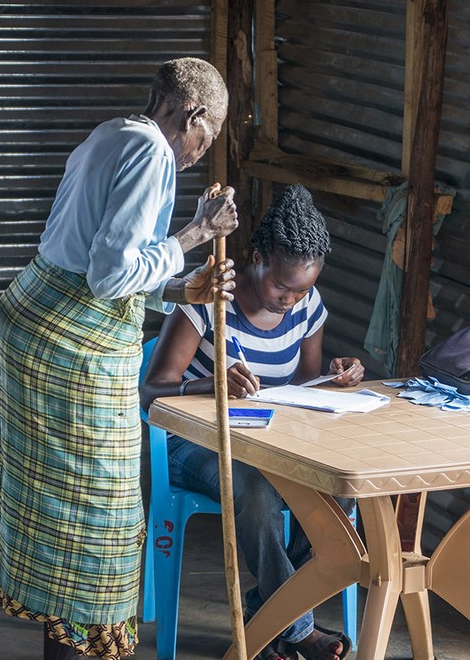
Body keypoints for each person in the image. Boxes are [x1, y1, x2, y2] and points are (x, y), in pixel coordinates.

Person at [0, 57, 238, 660]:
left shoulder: (112, 132)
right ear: (191, 115)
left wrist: (180, 286)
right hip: (69, 346)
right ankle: (72, 647)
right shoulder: (154, 154)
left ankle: (64, 643)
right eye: (208, 135)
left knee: (61, 513)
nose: (201, 152)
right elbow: (110, 276)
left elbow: (96, 257)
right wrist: (195, 233)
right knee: (94, 520)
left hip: (37, 319)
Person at [139, 184, 364, 660]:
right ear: (257, 258)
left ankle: (266, 620)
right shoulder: (207, 297)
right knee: (257, 494)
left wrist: (334, 379)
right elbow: (152, 390)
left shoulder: (307, 305)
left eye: (301, 288)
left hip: (266, 443)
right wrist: (213, 383)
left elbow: (301, 391)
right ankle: (299, 630)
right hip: (194, 443)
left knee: (333, 498)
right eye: (281, 286)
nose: (290, 299)